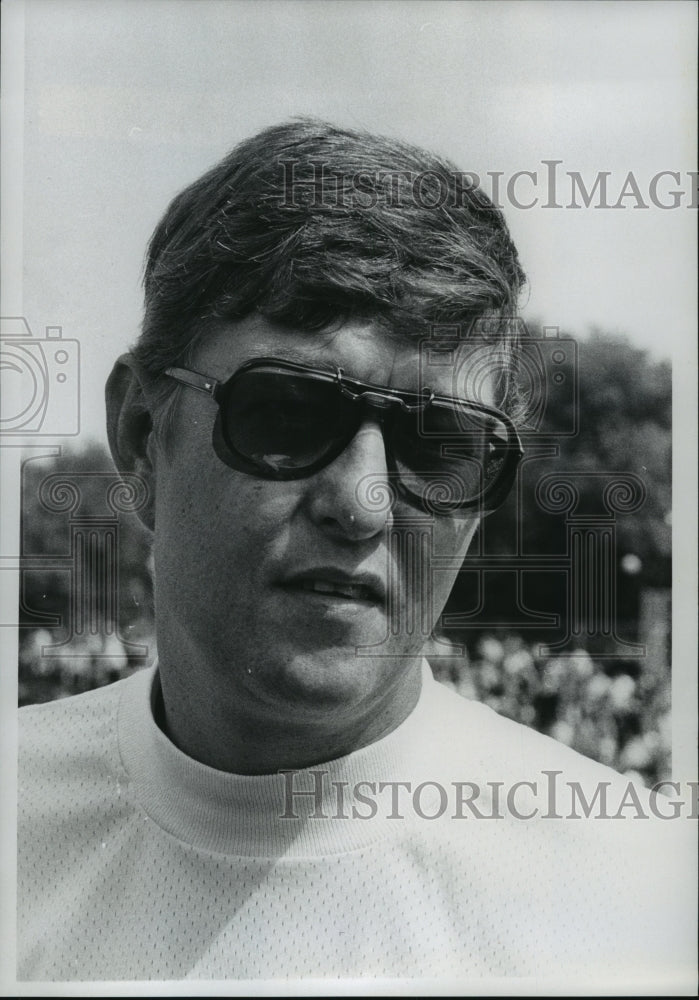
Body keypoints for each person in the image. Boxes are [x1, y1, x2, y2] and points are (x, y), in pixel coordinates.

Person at [17, 119, 691, 986]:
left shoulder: (633, 897)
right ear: (145, 436)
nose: (363, 504)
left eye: (440, 444)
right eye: (289, 414)